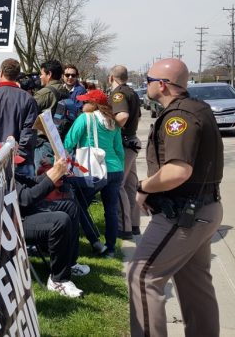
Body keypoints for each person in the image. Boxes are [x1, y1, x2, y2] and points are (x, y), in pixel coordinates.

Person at [129, 58, 223, 337]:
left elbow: (178, 171)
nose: (146, 85)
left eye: (148, 80)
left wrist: (144, 186)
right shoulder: (198, 108)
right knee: (195, 283)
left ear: (162, 85)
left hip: (184, 214)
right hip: (202, 209)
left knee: (142, 277)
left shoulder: (178, 117)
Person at [63, 89, 124, 259]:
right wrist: (121, 169)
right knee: (111, 210)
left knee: (78, 205)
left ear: (94, 104)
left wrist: (61, 161)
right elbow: (119, 150)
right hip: (115, 169)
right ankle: (110, 249)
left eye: (85, 102)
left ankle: (95, 241)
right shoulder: (112, 121)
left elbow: (69, 142)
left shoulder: (85, 118)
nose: (82, 105)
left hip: (94, 170)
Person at [17, 157, 85, 297]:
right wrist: (52, 177)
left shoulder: (8, 171)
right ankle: (58, 280)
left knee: (70, 206)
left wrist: (55, 171)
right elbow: (26, 198)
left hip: (25, 212)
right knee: (60, 220)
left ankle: (69, 263)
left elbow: (32, 181)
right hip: (15, 222)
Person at [108, 65, 143, 239]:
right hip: (132, 141)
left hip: (124, 143)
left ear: (111, 78)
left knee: (118, 184)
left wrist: (109, 130)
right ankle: (134, 224)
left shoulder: (118, 93)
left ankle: (124, 228)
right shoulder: (132, 92)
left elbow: (122, 116)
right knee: (130, 184)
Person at [0, 58, 39, 177]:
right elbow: (29, 132)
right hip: (20, 161)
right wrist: (18, 156)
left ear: (0, 73)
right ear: (17, 75)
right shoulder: (28, 99)